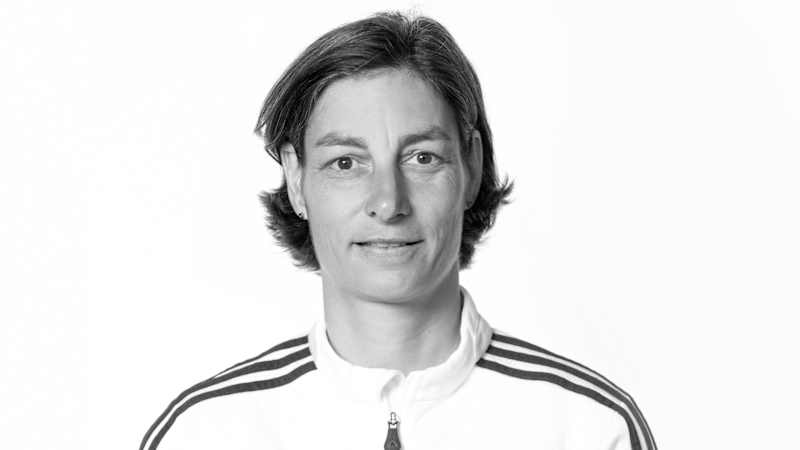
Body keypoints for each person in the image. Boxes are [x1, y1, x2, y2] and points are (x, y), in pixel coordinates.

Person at [140, 11, 656, 450]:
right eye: (346, 162)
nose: (388, 203)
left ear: (471, 166)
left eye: (422, 157)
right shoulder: (205, 433)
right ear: (297, 181)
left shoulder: (590, 428)